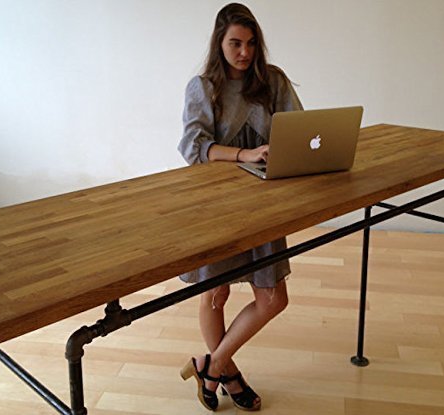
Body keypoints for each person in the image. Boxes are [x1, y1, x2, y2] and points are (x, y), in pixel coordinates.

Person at [178, 3, 303, 412]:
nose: (244, 52)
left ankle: (210, 366)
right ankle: (228, 373)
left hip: (264, 203)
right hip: (216, 206)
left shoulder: (273, 82)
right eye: (235, 43)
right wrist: (244, 155)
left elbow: (299, 130)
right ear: (219, 42)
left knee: (273, 299)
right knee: (216, 293)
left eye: (250, 44)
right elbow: (193, 148)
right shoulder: (203, 88)